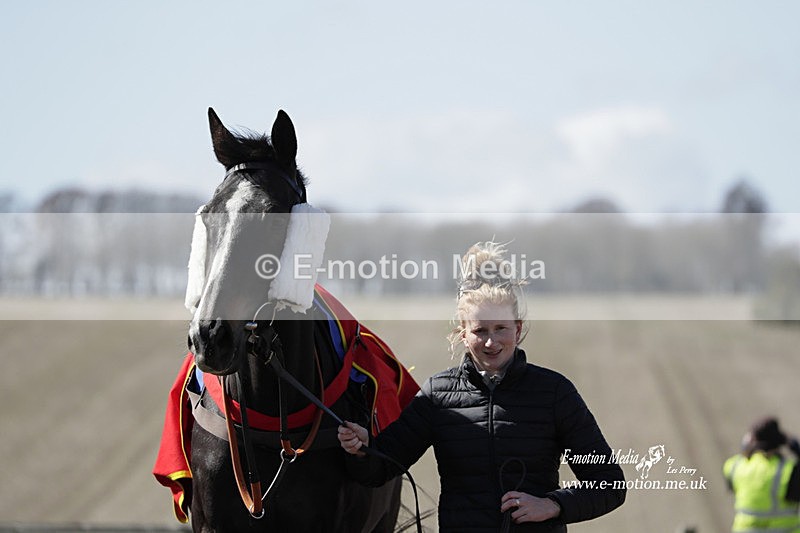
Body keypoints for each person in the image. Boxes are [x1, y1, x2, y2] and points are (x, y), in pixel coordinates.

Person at [338, 241, 626, 532]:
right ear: (463, 333)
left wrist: (553, 504)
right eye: (480, 330)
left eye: (501, 328)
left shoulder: (555, 392)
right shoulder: (437, 394)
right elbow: (381, 468)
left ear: (518, 328)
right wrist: (362, 449)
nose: (491, 342)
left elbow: (610, 485)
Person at [723, 417, 800, 532]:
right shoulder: (789, 470)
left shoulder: (735, 466)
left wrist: (745, 448)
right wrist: (796, 449)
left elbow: (733, 488)